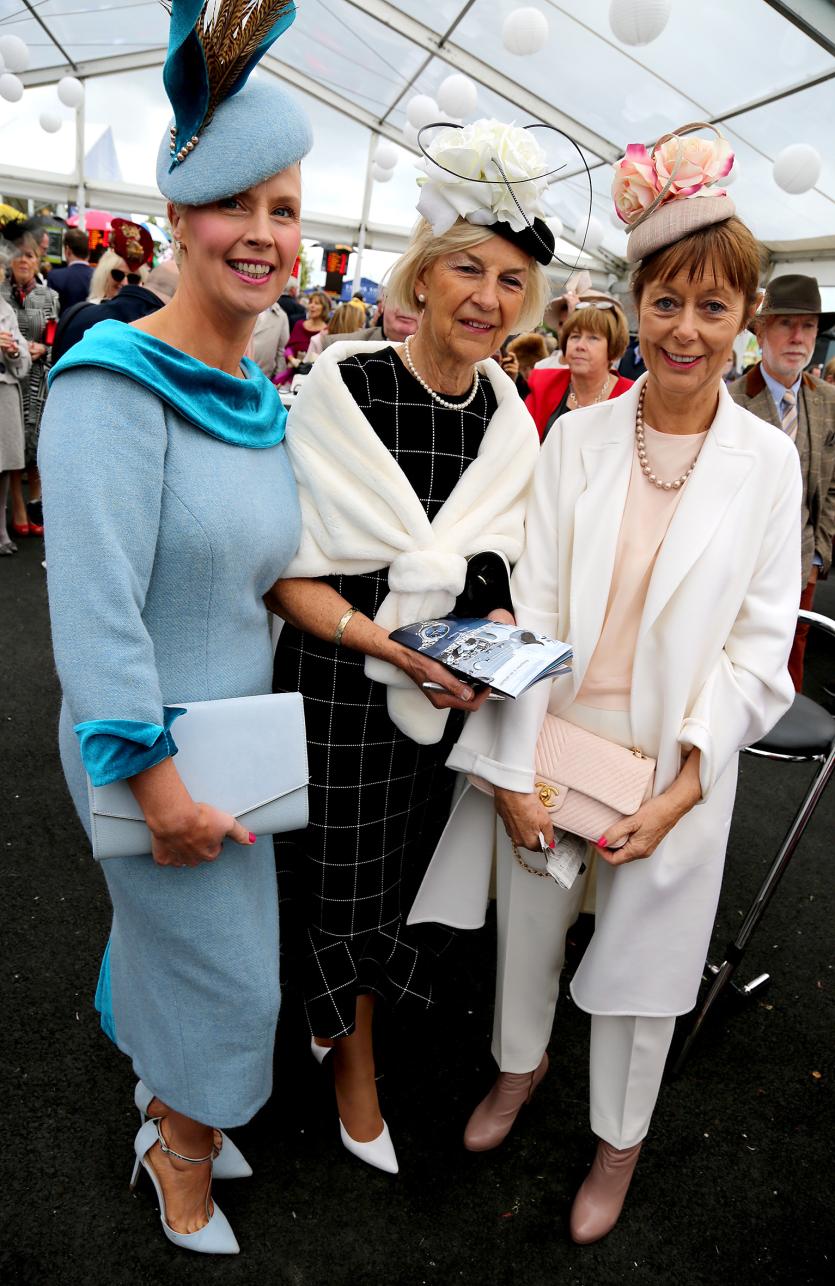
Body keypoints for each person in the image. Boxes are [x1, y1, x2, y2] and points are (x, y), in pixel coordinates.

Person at [409, 123, 801, 1245]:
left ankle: (618, 1140)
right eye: (665, 301)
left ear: (743, 317)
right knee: (529, 922)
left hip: (674, 746)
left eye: (712, 307)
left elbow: (759, 648)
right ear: (633, 304)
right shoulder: (577, 439)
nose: (685, 329)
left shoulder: (766, 463)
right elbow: (533, 611)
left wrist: (680, 792)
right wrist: (509, 769)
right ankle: (517, 1067)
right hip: (557, 718)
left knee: (640, 966)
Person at [38, 0, 312, 1255]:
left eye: (284, 208)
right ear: (177, 214)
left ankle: (172, 1091)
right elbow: (93, 615)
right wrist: (153, 785)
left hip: (239, 744)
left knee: (209, 952)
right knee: (231, 973)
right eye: (232, 203)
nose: (261, 233)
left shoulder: (255, 389)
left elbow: (267, 571)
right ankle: (175, 1143)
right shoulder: (110, 384)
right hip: (146, 746)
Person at [267, 117, 552, 1177]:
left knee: (399, 883)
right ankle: (353, 1072)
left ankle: (340, 1020)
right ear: (422, 276)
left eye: (511, 280)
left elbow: (497, 566)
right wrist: (390, 645)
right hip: (337, 688)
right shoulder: (344, 388)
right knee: (342, 882)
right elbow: (284, 573)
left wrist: (491, 636)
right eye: (468, 269)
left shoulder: (509, 418)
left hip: (439, 702)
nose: (488, 298)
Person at [728, 275, 835, 691]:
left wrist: (818, 555)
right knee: (737, 658)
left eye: (808, 326)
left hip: (801, 563)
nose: (797, 337)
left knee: (792, 656)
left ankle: (788, 723)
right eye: (785, 323)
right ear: (760, 331)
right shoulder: (731, 399)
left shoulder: (826, 400)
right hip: (741, 565)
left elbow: (831, 484)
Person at [0, 234, 58, 537]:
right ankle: (17, 505)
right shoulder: (1, 295)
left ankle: (35, 502)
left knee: (35, 441)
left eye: (30, 256)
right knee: (11, 445)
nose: (24, 260)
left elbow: (53, 333)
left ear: (38, 261)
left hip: (35, 378)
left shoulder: (48, 297)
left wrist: (44, 349)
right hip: (7, 380)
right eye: (20, 255)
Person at [525, 291, 633, 439]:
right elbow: (524, 441)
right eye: (575, 336)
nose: (580, 346)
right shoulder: (543, 383)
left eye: (593, 338)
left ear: (613, 346)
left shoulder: (632, 396)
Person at [50, 259, 179, 365]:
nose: (125, 282)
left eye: (133, 278)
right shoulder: (78, 311)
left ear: (143, 282)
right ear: (104, 275)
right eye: (118, 275)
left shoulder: (77, 313)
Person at [0, 256, 32, 554]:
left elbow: (21, 357)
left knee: (4, 466)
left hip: (6, 393)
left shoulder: (5, 310)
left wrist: (13, 352)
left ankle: (0, 531)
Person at [320, 287, 419, 349]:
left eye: (419, 300)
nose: (408, 305)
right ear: (383, 303)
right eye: (400, 297)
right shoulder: (336, 347)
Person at [277, 289, 330, 381]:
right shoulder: (299, 325)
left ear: (324, 308)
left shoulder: (327, 331)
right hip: (293, 374)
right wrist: (292, 359)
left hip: (315, 378)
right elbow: (289, 348)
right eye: (310, 302)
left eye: (317, 303)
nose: (312, 306)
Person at [47, 228, 93, 311]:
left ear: (67, 250)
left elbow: (49, 311)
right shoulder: (99, 277)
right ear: (88, 252)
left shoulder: (55, 277)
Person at [249, 299, 290, 381]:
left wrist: (278, 378)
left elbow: (282, 350)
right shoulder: (241, 307)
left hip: (264, 377)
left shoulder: (281, 316)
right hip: (234, 375)